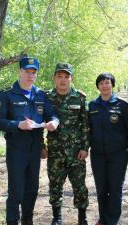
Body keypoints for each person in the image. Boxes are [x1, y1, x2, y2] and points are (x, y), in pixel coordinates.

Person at [0, 56, 59, 225]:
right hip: (16, 149)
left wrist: (54, 122)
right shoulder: (7, 94)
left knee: (32, 189)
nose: (30, 75)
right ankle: (12, 221)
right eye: (27, 71)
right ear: (19, 72)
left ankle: (27, 220)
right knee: (16, 191)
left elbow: (52, 114)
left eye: (33, 72)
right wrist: (18, 125)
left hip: (35, 148)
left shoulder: (40, 94)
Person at [42, 63, 89, 225]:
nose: (63, 80)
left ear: (71, 78)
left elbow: (85, 125)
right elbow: (38, 122)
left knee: (79, 185)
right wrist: (42, 146)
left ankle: (82, 217)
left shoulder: (80, 97)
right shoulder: (46, 97)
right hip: (55, 151)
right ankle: (57, 217)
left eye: (66, 77)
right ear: (54, 78)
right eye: (59, 76)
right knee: (55, 184)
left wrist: (85, 147)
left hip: (76, 152)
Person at [88, 73, 128, 225]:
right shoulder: (92, 105)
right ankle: (103, 218)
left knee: (114, 188)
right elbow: (89, 129)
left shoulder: (123, 105)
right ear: (98, 86)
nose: (104, 85)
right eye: (101, 83)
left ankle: (112, 220)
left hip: (118, 154)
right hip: (97, 154)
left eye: (107, 82)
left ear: (112, 85)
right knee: (101, 188)